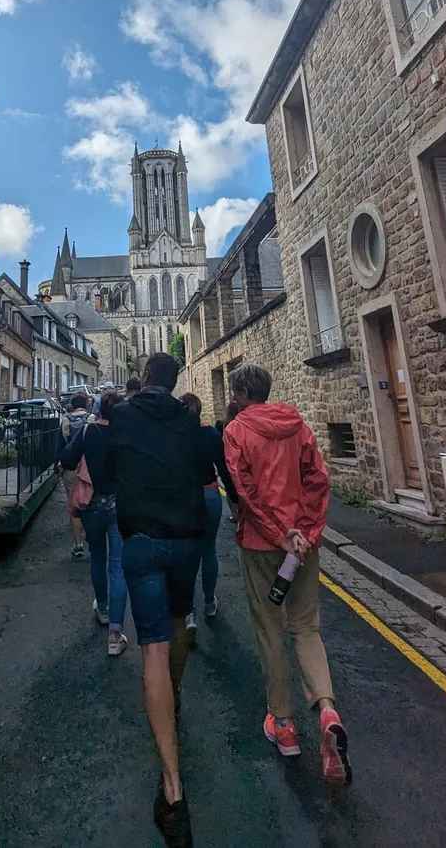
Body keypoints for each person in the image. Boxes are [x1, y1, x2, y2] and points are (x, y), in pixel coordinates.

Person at [223, 363, 351, 786]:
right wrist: (307, 532)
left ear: (243, 392)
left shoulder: (237, 430)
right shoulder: (296, 423)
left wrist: (280, 536)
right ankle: (328, 709)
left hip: (264, 545)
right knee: (306, 627)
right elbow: (318, 479)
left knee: (270, 630)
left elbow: (245, 490)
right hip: (303, 544)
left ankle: (283, 723)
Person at [107, 352, 209, 848]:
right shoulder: (190, 420)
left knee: (152, 644)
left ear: (145, 378)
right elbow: (206, 467)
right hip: (186, 540)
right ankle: (173, 696)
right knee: (179, 619)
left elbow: (103, 471)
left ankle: (172, 790)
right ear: (175, 382)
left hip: (143, 541)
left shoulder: (122, 415)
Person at [59, 389, 128, 656]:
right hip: (119, 506)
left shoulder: (89, 432)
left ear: (98, 408)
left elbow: (68, 458)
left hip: (92, 507)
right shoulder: (124, 434)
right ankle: (115, 634)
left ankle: (102, 607)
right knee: (118, 567)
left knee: (98, 558)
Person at [178, 393, 238, 640]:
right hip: (211, 494)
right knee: (209, 550)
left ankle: (188, 611)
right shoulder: (211, 434)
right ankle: (210, 601)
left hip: (184, 498)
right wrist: (235, 499)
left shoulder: (175, 436)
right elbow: (224, 470)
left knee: (186, 554)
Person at [59, 392, 90, 558]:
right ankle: (92, 538)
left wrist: (59, 465)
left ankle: (78, 543)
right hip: (89, 466)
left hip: (71, 465)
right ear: (86, 403)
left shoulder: (65, 419)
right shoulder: (92, 419)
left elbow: (61, 445)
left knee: (73, 503)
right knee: (91, 501)